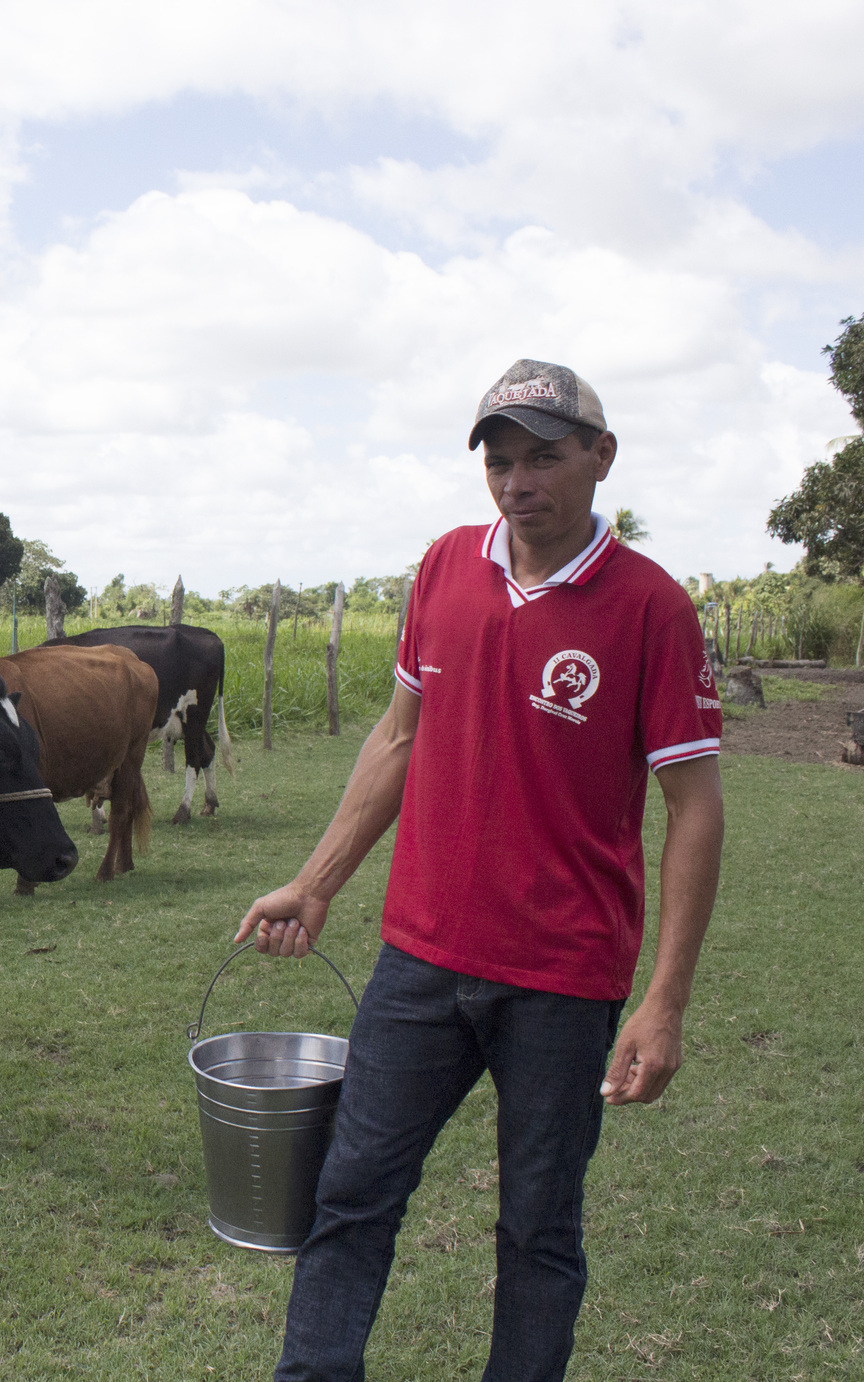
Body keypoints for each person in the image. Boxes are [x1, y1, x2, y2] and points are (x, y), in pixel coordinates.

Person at [236, 359, 726, 1382]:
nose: (516, 483)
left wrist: (665, 1001)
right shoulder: (445, 567)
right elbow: (397, 737)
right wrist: (316, 882)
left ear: (600, 456)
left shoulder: (651, 608)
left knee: (538, 1228)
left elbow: (694, 808)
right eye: (499, 462)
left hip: (562, 977)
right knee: (351, 1196)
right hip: (417, 961)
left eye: (542, 458)